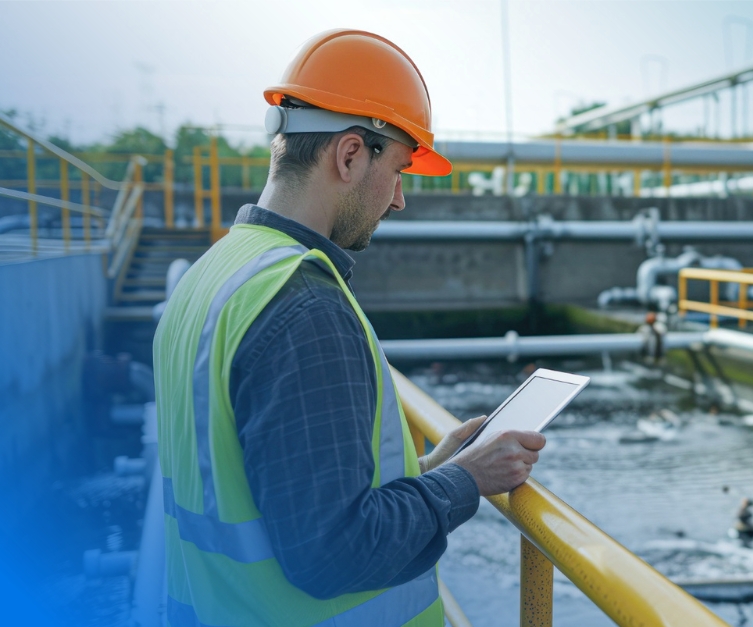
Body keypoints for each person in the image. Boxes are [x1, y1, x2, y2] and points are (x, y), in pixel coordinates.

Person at [153, 29, 545, 627]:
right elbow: (333, 552)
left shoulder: (212, 275)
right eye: (400, 169)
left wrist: (430, 469)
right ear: (351, 154)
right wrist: (467, 479)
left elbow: (272, 485)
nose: (399, 200)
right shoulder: (303, 306)